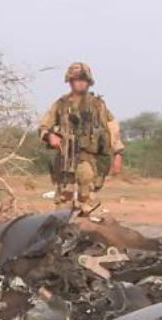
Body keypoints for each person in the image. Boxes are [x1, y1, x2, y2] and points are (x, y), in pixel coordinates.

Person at [38, 62, 124, 215]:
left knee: (87, 199)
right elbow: (43, 127)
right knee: (64, 200)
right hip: (65, 158)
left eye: (83, 80)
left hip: (89, 159)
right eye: (76, 80)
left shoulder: (98, 105)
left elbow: (112, 129)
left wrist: (118, 154)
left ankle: (85, 232)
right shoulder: (60, 104)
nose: (80, 83)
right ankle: (62, 232)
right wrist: (50, 136)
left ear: (89, 82)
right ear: (70, 82)